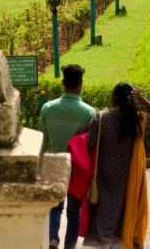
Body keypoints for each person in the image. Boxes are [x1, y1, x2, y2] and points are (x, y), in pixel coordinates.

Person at [84, 82, 150, 249]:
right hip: (130, 176)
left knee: (105, 209)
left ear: (114, 97)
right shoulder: (138, 119)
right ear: (132, 99)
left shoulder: (101, 118)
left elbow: (90, 145)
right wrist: (144, 100)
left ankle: (105, 242)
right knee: (125, 207)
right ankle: (125, 239)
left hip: (105, 174)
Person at [39, 63, 96, 249]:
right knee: (74, 211)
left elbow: (42, 140)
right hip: (76, 169)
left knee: (55, 206)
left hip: (54, 164)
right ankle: (69, 247)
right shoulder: (89, 112)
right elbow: (90, 145)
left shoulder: (48, 108)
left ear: (63, 83)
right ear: (80, 84)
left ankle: (53, 237)